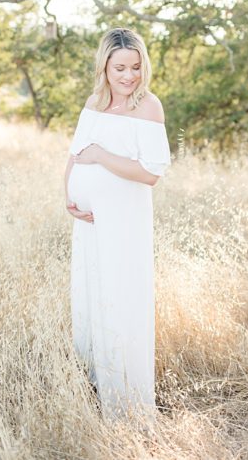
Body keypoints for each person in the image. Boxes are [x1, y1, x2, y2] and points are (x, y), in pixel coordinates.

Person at [64, 27, 171, 420]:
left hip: (125, 224)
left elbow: (150, 173)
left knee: (123, 299)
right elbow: (75, 154)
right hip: (90, 224)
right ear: (104, 67)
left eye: (136, 67)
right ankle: (97, 387)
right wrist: (69, 197)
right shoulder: (94, 102)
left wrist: (103, 157)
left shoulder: (149, 107)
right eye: (120, 68)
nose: (129, 76)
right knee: (93, 298)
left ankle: (129, 401)